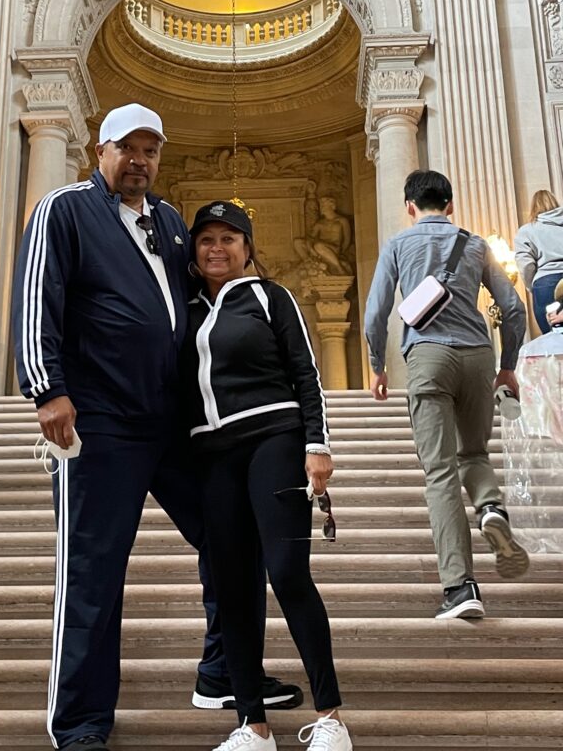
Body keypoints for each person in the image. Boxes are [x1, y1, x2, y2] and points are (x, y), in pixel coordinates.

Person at [11, 104, 299, 751]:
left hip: (173, 420)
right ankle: (80, 723)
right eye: (128, 148)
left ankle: (223, 671)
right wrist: (47, 388)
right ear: (101, 148)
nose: (140, 161)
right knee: (93, 569)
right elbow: (37, 297)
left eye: (152, 150)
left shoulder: (169, 220)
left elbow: (198, 302)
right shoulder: (65, 209)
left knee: (233, 531)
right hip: (98, 420)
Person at [181, 200, 352, 751]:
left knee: (287, 572)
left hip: (274, 441)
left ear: (248, 248)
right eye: (207, 239)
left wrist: (317, 445)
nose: (217, 248)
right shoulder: (184, 311)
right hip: (212, 455)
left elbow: (306, 372)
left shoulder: (269, 297)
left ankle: (330, 717)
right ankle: (251, 724)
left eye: (230, 238)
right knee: (231, 585)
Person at [364, 170, 529, 620]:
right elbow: (513, 308)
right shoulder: (475, 244)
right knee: (473, 454)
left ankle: (460, 588)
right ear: (450, 205)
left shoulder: (399, 244)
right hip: (478, 356)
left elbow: (376, 311)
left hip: (429, 356)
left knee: (439, 473)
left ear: (410, 207)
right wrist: (508, 365)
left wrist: (377, 366)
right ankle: (491, 505)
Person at [514, 189, 563, 333]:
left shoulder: (527, 231)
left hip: (546, 284)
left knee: (552, 341)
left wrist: (532, 286)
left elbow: (526, 264)